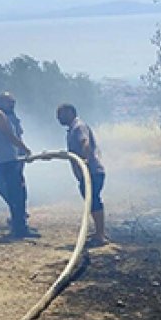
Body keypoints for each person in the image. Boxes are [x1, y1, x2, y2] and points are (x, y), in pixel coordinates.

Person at [0, 92, 37, 238]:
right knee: (14, 193)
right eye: (9, 102)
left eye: (13, 102)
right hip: (7, 161)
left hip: (9, 160)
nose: (12, 105)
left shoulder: (5, 116)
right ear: (0, 102)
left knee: (17, 194)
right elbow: (9, 135)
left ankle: (19, 226)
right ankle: (19, 226)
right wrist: (26, 149)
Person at [56, 103, 109, 246]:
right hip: (88, 173)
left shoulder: (79, 127)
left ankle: (100, 235)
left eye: (60, 114)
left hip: (92, 172)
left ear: (70, 112)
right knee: (90, 201)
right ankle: (99, 232)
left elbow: (85, 143)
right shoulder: (72, 129)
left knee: (94, 201)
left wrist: (84, 161)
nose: (58, 118)